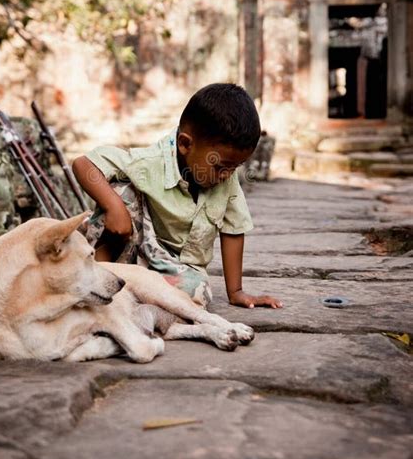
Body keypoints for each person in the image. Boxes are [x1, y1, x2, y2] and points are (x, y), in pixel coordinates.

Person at [72, 83, 282, 310]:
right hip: (132, 253)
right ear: (185, 144)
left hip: (173, 270)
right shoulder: (149, 163)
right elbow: (84, 164)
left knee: (197, 292)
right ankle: (99, 278)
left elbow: (233, 229)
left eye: (235, 167)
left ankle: (136, 297)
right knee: (120, 189)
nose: (227, 175)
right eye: (221, 167)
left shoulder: (226, 178)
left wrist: (236, 292)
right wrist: (113, 206)